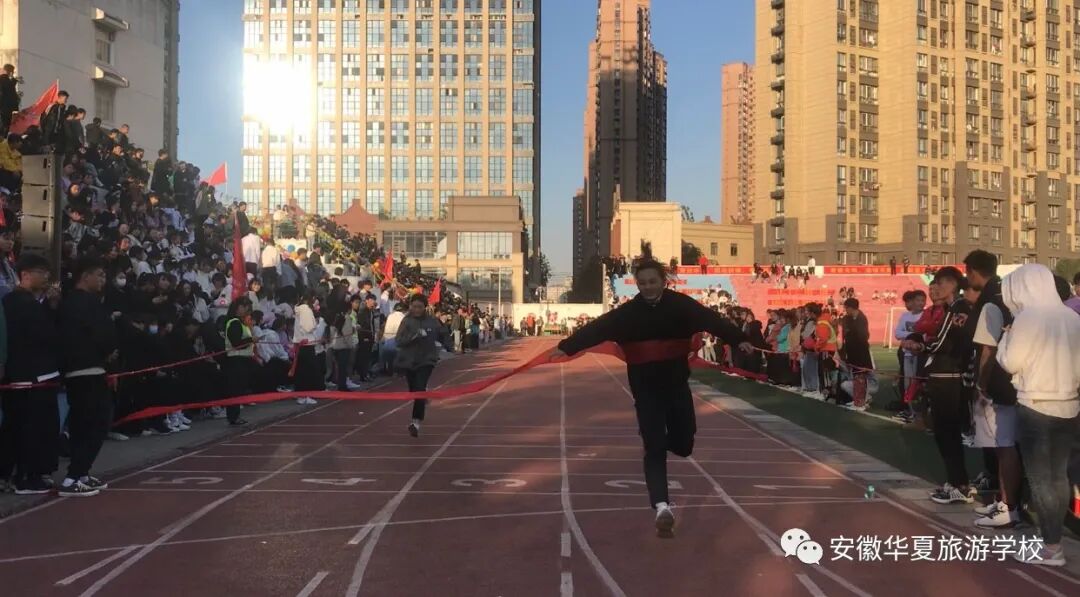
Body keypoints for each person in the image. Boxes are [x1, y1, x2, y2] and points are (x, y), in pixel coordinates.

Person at [551, 259, 753, 538]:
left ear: (663, 281)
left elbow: (711, 320)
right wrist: (567, 347)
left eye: (652, 281)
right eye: (642, 283)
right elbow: (597, 329)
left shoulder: (681, 306)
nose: (647, 287)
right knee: (654, 446)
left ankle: (658, 439)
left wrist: (738, 338)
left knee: (684, 445)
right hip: (645, 390)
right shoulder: (627, 314)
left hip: (676, 386)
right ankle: (661, 507)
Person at [998, 264, 1080, 566]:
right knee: (1058, 477)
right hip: (1069, 405)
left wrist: (1006, 337)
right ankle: (1053, 540)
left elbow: (1010, 362)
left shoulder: (1027, 318)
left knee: (1041, 480)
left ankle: (1051, 546)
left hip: (1036, 405)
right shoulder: (1071, 316)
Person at [904, 267, 976, 505]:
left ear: (954, 285)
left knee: (947, 432)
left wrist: (921, 346)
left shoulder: (958, 308)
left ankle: (959, 484)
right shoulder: (952, 308)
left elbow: (943, 341)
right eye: (935, 283)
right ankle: (956, 482)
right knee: (945, 432)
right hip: (943, 374)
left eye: (943, 282)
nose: (937, 287)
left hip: (949, 376)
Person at [962, 251, 1021, 528]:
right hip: (1013, 381)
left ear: (973, 271)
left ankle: (1009, 506)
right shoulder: (1006, 296)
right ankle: (1004, 501)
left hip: (999, 384)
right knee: (1004, 445)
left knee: (1004, 444)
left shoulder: (990, 301)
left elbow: (988, 348)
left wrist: (981, 384)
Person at [0, 254, 62, 495]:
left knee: (19, 426)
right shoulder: (17, 303)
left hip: (34, 376)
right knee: (29, 427)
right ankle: (24, 477)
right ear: (24, 275)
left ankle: (11, 474)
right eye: (41, 272)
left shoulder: (30, 303)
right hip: (28, 377)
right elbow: (40, 337)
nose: (46, 277)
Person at [58, 257, 117, 497]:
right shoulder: (85, 303)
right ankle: (72, 477)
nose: (103, 280)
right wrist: (109, 350)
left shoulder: (70, 302)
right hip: (87, 370)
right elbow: (103, 332)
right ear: (85, 276)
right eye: (99, 275)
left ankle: (81, 473)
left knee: (85, 424)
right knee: (94, 424)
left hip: (83, 370)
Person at [395, 294, 444, 438]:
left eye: (420, 307)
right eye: (414, 306)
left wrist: (445, 345)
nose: (416, 309)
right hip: (409, 361)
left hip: (426, 361)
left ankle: (415, 422)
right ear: (410, 306)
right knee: (414, 391)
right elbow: (399, 340)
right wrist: (413, 337)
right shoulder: (406, 321)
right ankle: (422, 395)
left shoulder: (432, 321)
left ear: (425, 308)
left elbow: (442, 334)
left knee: (419, 390)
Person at [222, 297, 254, 426]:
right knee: (234, 389)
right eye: (245, 307)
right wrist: (251, 340)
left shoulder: (241, 323)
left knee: (239, 389)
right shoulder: (234, 323)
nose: (246, 310)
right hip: (236, 360)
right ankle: (233, 416)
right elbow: (236, 343)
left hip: (242, 360)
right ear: (238, 307)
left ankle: (235, 415)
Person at [839, 298, 873, 410]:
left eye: (846, 308)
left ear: (851, 307)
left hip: (861, 353)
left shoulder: (861, 319)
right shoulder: (847, 319)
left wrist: (852, 334)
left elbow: (864, 337)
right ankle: (857, 400)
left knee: (861, 377)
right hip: (851, 352)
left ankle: (862, 402)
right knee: (855, 377)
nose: (845, 310)